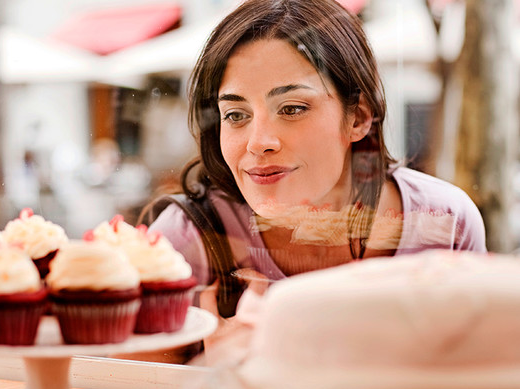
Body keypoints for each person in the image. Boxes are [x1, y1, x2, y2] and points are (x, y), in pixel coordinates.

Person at [142, 0, 486, 335]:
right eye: (235, 115)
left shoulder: (445, 223)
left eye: (291, 109)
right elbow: (126, 386)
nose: (258, 142)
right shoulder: (187, 239)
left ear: (359, 117)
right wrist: (213, 376)